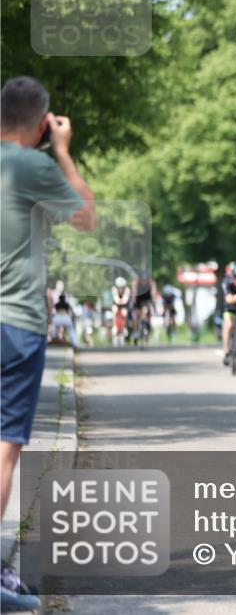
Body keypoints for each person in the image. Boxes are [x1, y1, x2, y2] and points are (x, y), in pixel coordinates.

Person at [1, 76, 96, 611]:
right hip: (14, 325)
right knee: (4, 449)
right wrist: (61, 151)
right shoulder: (35, 165)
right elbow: (86, 217)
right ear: (41, 123)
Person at [110, 276, 132, 341]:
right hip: (116, 304)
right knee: (114, 310)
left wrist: (121, 301)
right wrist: (119, 301)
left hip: (124, 305)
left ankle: (124, 327)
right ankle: (114, 326)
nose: (120, 288)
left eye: (122, 287)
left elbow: (125, 299)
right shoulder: (114, 289)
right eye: (119, 287)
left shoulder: (127, 289)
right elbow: (116, 299)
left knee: (124, 312)